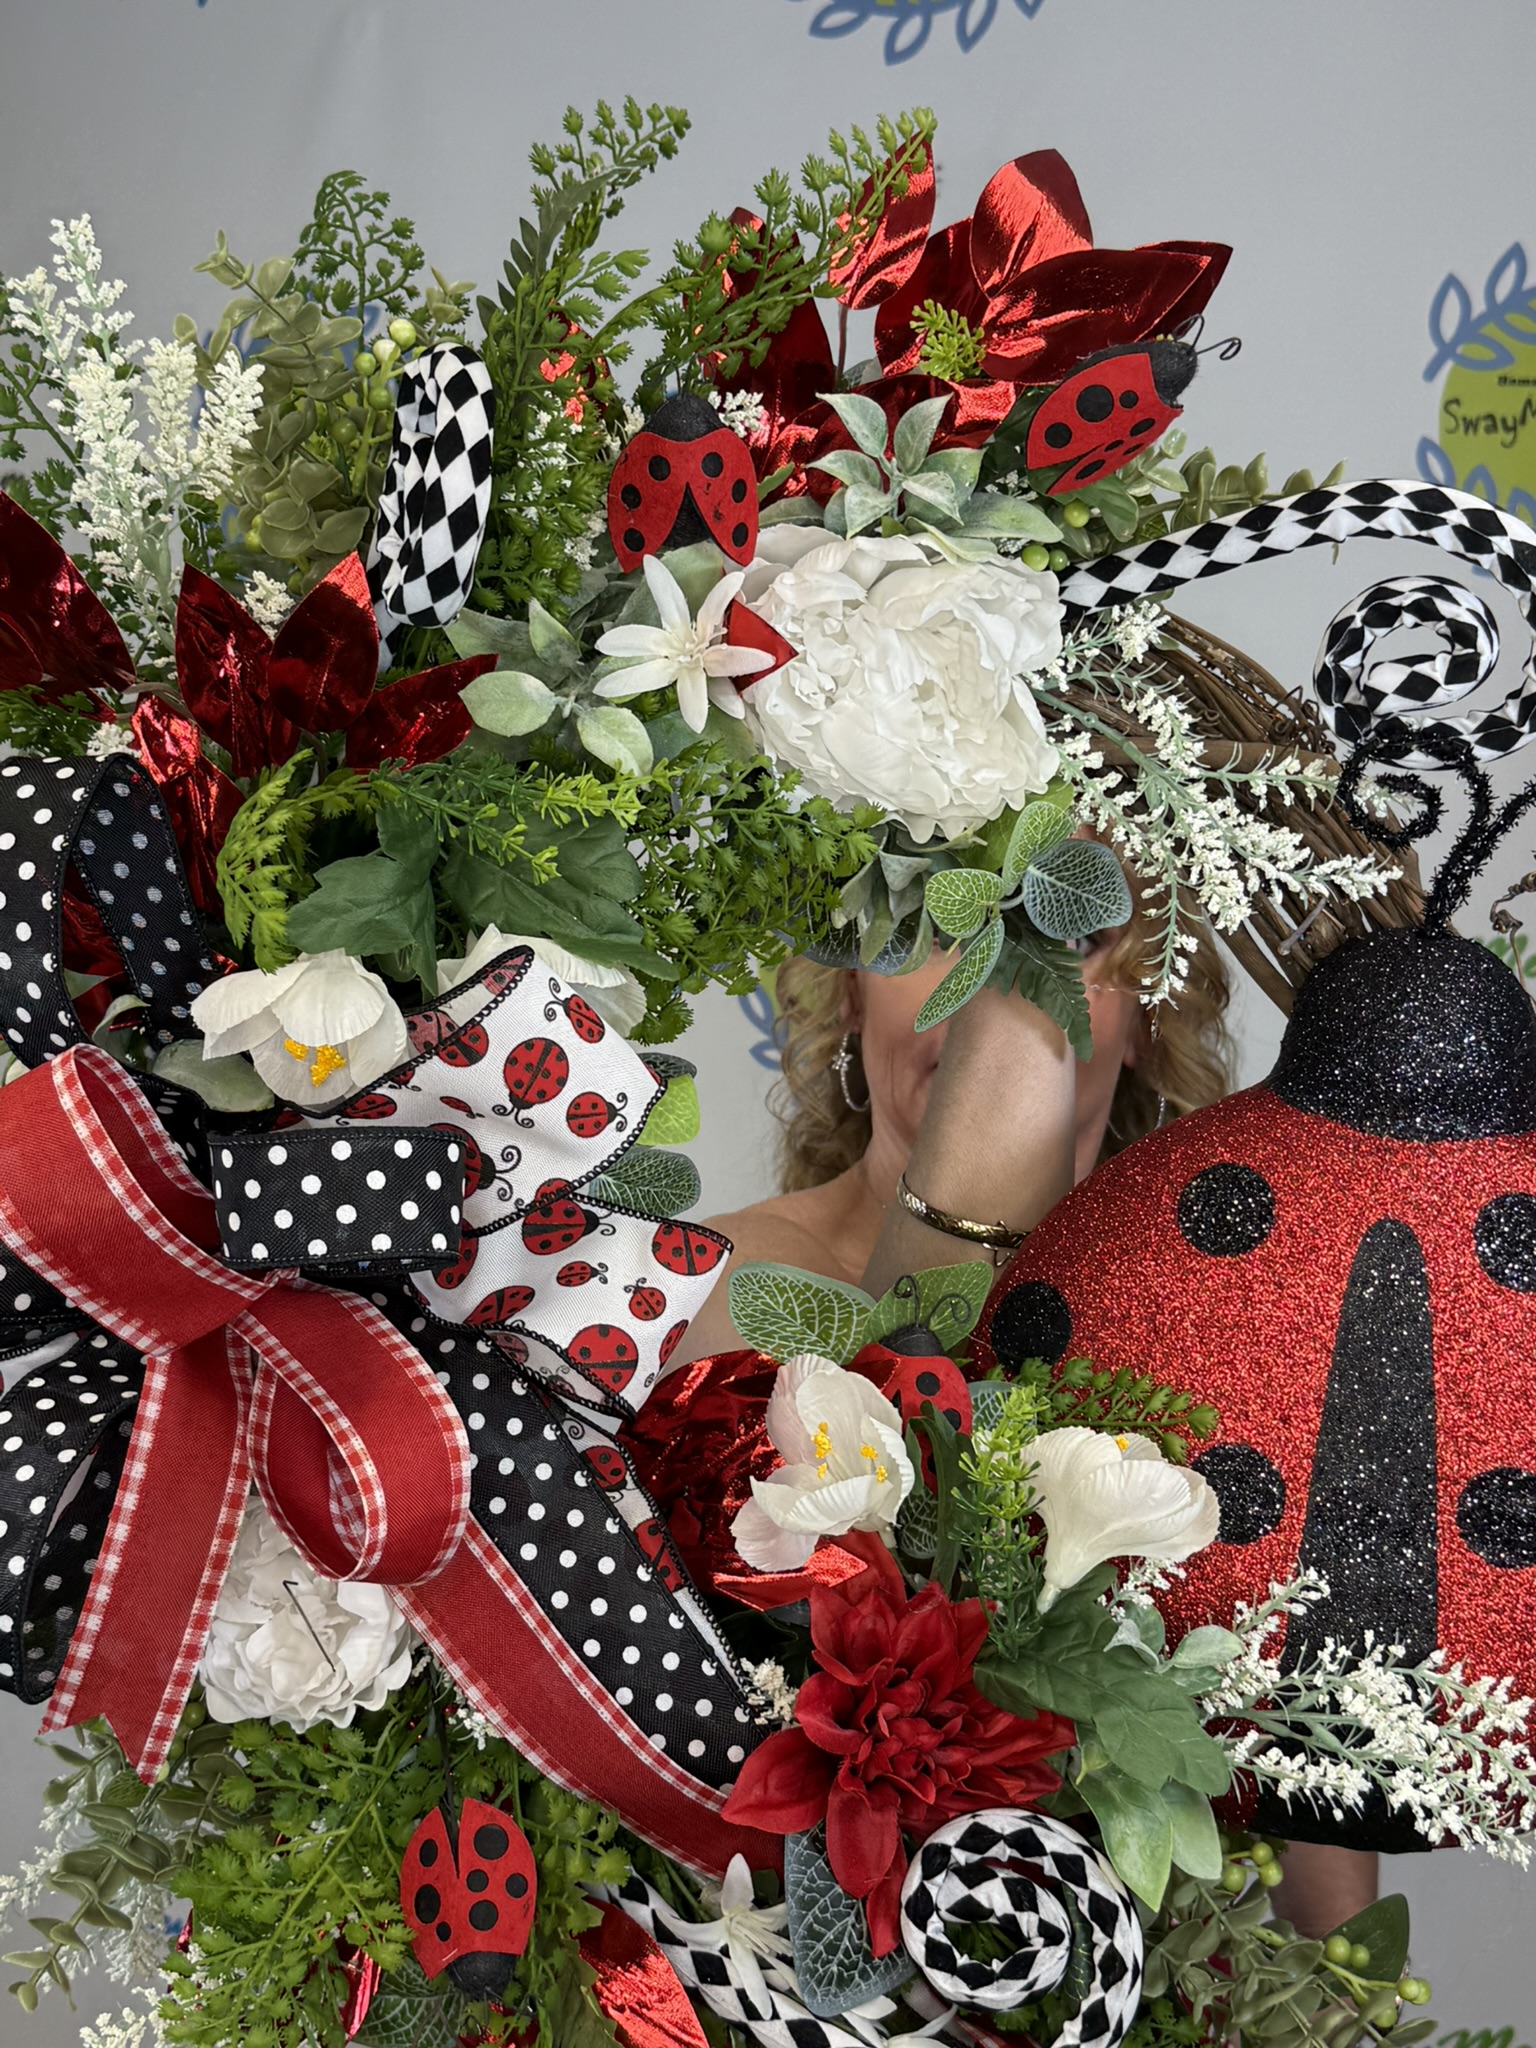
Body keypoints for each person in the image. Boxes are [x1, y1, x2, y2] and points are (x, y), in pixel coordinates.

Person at [679, 914, 1376, 1940]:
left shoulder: (1241, 1352)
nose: (988, 986)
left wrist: (1339, 1987)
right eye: (935, 927)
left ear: (1145, 1016)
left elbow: (1315, 1846)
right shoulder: (710, 1285)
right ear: (851, 990)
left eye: (1071, 932)